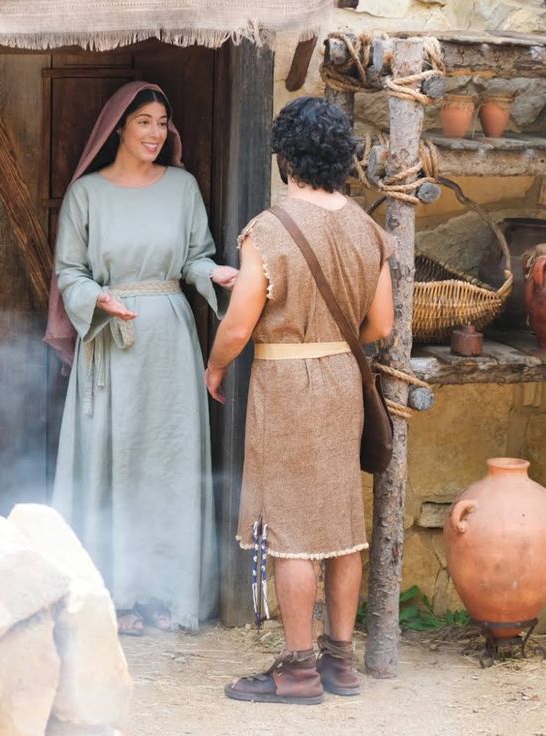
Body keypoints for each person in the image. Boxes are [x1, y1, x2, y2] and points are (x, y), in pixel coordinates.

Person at [205, 96, 394, 704]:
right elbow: (379, 323)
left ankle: (297, 670)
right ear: (343, 158)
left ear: (286, 157)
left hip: (287, 389)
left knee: (289, 529)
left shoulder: (269, 228)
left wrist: (213, 366)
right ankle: (341, 663)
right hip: (343, 381)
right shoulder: (368, 228)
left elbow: (237, 329)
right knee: (340, 525)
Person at [47, 81, 237, 635]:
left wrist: (216, 274)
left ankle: (166, 593)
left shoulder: (182, 188)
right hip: (109, 341)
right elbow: (69, 272)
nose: (156, 133)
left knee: (169, 464)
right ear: (119, 130)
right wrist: (97, 298)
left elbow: (196, 259)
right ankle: (114, 592)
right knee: (113, 462)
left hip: (170, 342)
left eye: (162, 123)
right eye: (144, 122)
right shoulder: (87, 193)